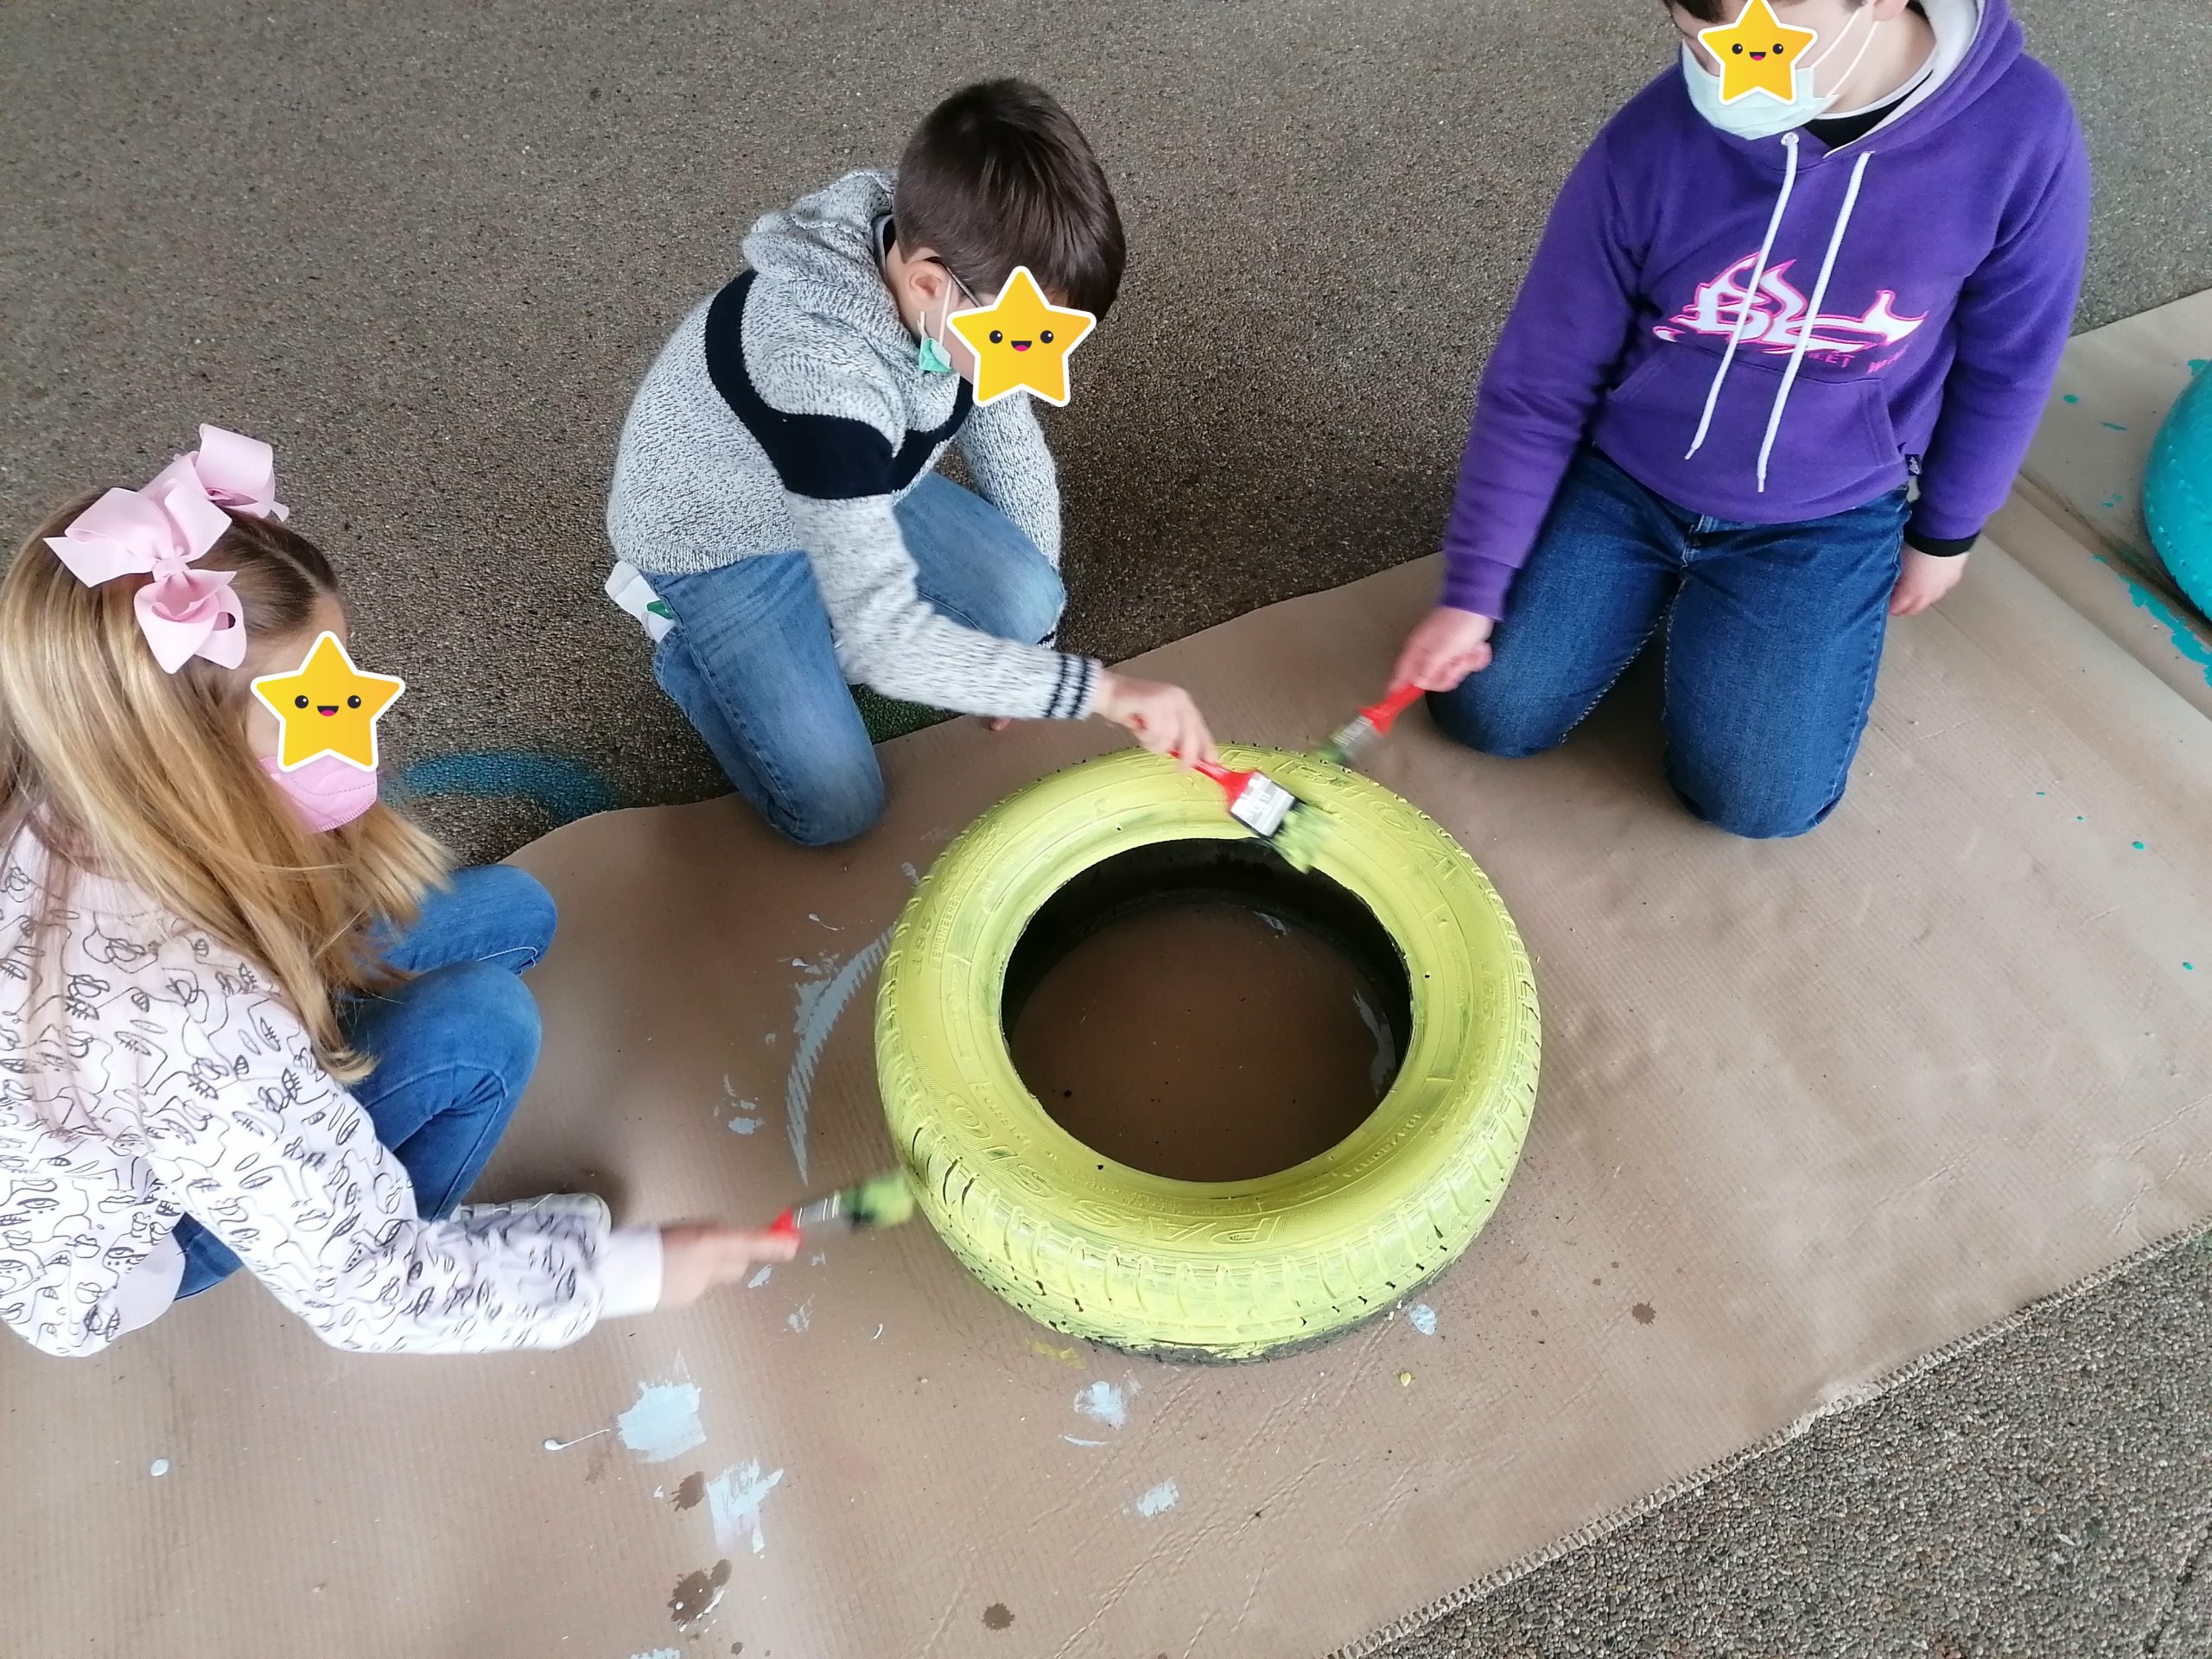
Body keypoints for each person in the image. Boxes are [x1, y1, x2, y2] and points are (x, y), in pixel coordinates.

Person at [0, 428, 794, 1358]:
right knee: (486, 1025)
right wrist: (630, 1272)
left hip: (131, 1073)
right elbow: (374, 1293)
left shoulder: (71, 754)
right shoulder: (198, 1025)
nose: (352, 727)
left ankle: (331, 1153)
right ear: (191, 766)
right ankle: (405, 1213)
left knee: (516, 911)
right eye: (311, 710)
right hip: (133, 1236)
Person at [1395, 0, 2088, 838]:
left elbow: (2012, 358)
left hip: (1825, 511)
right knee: (1486, 711)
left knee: (1758, 804)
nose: (1727, 78)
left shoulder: (2021, 132)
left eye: (1755, 43)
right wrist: (1476, 588)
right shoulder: (1652, 139)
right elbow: (1541, 377)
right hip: (1627, 478)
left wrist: (1947, 531)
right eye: (1700, 44)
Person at [606, 78, 1217, 848]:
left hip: (868, 480)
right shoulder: (821, 380)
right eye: (1025, 341)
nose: (1038, 361)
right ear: (929, 284)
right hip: (723, 545)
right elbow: (885, 645)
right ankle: (677, 631)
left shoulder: (962, 281)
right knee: (835, 809)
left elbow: (1009, 442)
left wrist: (1021, 662)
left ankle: (838, 593)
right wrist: (1100, 691)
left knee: (1030, 604)